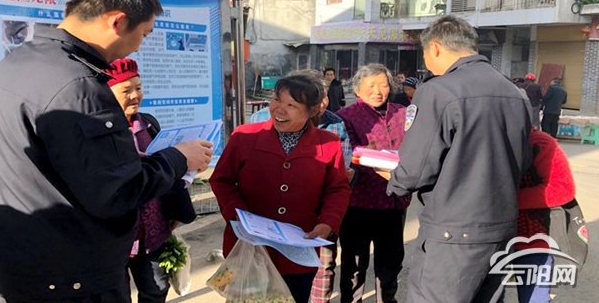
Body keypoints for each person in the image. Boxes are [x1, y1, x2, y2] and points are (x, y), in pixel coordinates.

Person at [0, 0, 213, 303]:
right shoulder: (79, 86)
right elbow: (116, 193)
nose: (139, 45)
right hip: (72, 277)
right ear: (118, 22)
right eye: (143, 34)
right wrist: (178, 158)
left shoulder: (21, 61)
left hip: (21, 263)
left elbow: (61, 162)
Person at [387, 15, 532, 303]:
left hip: (453, 231)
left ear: (435, 48)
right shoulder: (515, 93)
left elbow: (415, 170)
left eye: (425, 53)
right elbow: (523, 160)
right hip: (501, 229)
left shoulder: (437, 90)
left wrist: (394, 178)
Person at [210, 72, 352, 303]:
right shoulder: (244, 136)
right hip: (249, 248)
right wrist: (239, 216)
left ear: (313, 110)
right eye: (277, 99)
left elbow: (337, 189)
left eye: (291, 105)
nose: (279, 110)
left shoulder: (328, 143)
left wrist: (328, 222)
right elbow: (221, 180)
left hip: (298, 252)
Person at [103, 58, 197, 303]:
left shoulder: (148, 124)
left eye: (139, 87)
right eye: (126, 90)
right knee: (116, 293)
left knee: (156, 287)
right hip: (116, 233)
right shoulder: (100, 132)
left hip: (153, 227)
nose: (135, 95)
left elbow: (166, 170)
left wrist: (173, 209)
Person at [336, 63, 409, 303]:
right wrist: (364, 154)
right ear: (357, 90)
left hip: (394, 200)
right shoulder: (345, 116)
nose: (377, 91)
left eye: (383, 85)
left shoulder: (403, 114)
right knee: (354, 264)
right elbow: (344, 157)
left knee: (391, 261)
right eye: (371, 85)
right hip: (358, 202)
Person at [497, 130, 576, 303]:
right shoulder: (480, 139)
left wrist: (509, 201)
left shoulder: (539, 143)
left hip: (533, 240)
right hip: (488, 240)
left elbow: (562, 188)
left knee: (535, 299)